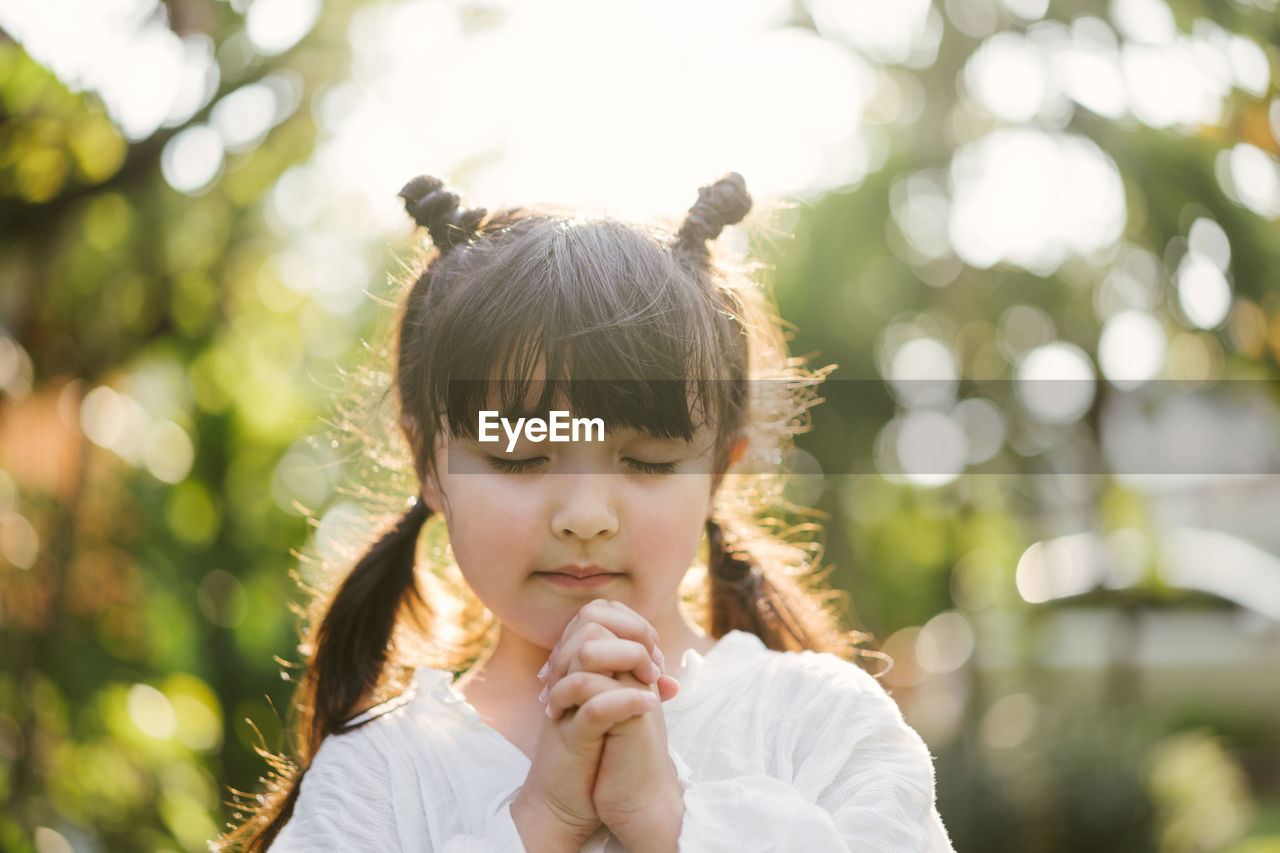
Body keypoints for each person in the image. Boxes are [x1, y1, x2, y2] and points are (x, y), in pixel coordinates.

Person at [216, 173, 955, 851]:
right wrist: (541, 822)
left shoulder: (819, 724)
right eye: (518, 456)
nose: (585, 514)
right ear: (429, 466)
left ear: (718, 470)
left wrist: (669, 820)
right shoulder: (377, 777)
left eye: (650, 460)